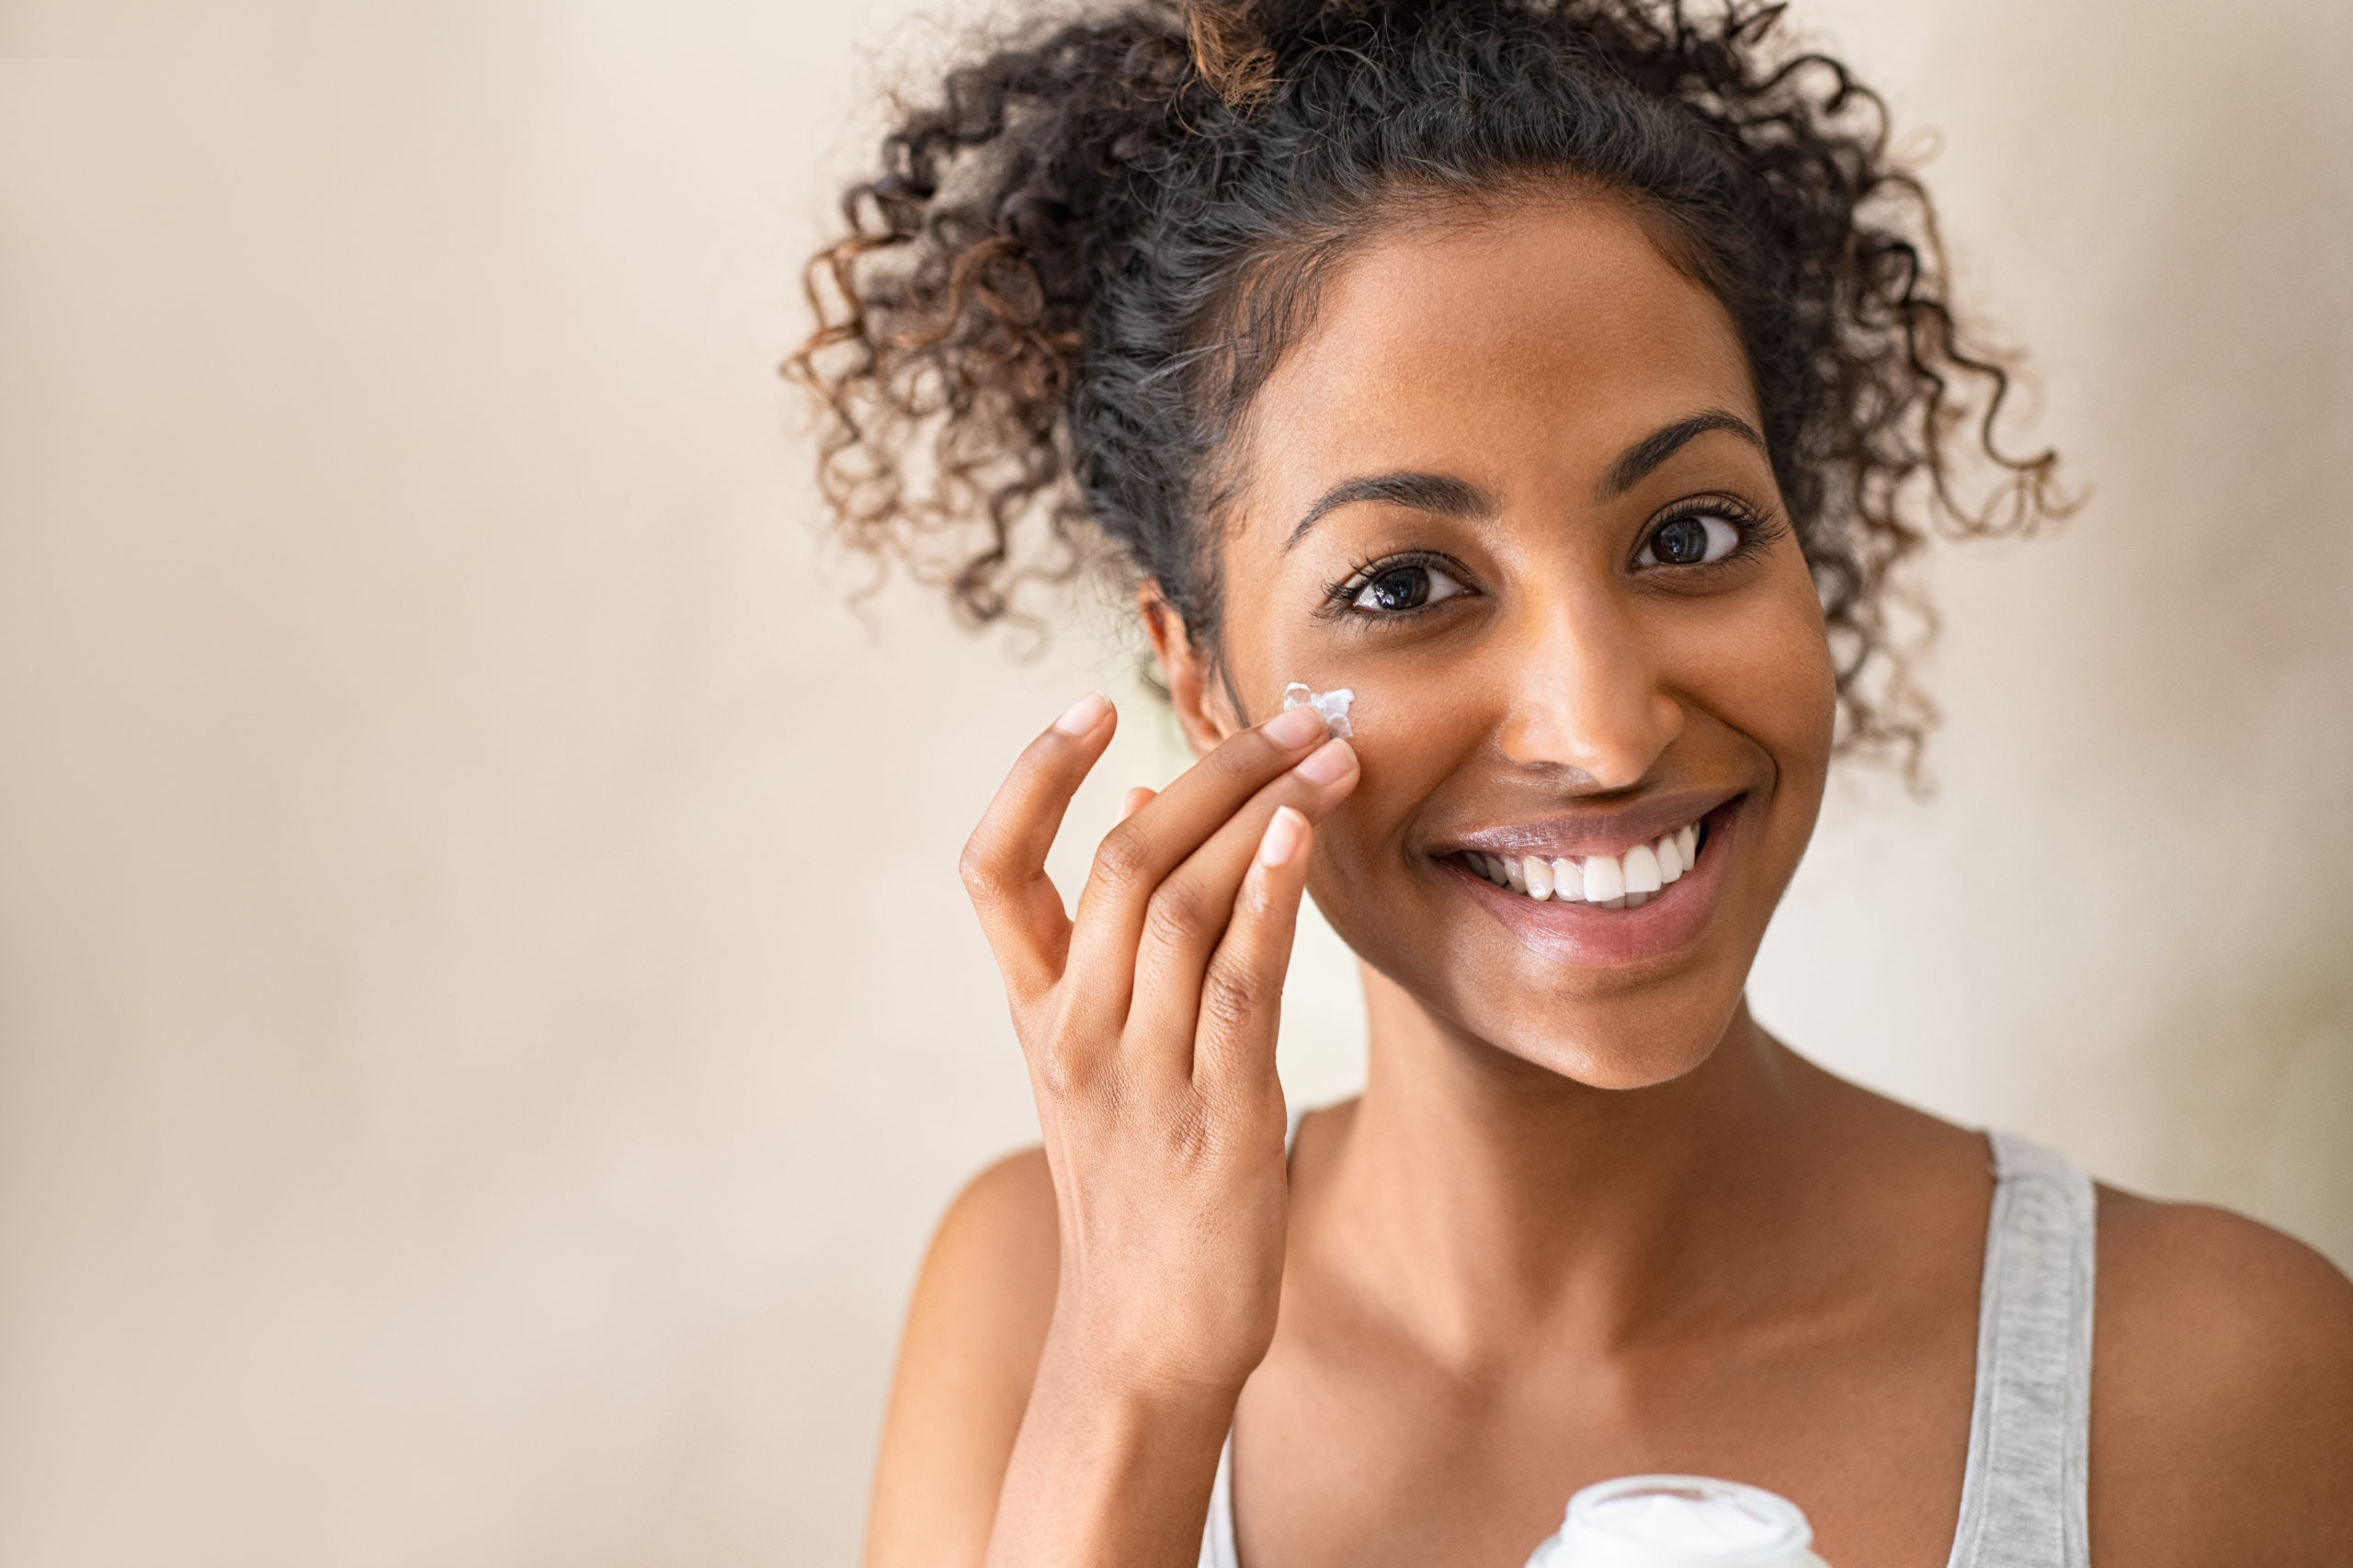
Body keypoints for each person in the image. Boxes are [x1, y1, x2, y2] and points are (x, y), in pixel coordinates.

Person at [789, 3, 2353, 1563]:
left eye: (1689, 534)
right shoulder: (1031, 1301)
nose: (1602, 731)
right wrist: (1134, 1384)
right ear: (1201, 678)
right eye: (1404, 584)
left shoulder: (2213, 1372)